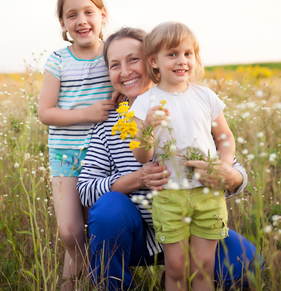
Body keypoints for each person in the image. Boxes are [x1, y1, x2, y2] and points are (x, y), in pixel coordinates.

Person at [77, 27, 257, 291]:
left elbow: (228, 158)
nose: (125, 71)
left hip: (195, 218)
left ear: (151, 61)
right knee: (109, 211)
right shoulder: (107, 125)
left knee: (248, 262)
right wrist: (137, 178)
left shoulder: (193, 99)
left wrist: (229, 174)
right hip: (140, 235)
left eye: (133, 59)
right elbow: (86, 190)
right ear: (157, 59)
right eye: (115, 65)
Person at [130, 22, 235, 291]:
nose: (182, 61)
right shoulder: (146, 101)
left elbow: (225, 137)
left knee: (203, 266)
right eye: (173, 54)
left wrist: (222, 168)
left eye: (188, 54)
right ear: (153, 60)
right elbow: (143, 155)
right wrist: (148, 127)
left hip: (208, 194)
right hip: (169, 196)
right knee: (176, 266)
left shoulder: (206, 96)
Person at [38, 0, 116, 289]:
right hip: (65, 155)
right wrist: (87, 113)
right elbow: (46, 113)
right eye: (72, 15)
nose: (81, 20)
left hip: (103, 155)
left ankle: (76, 284)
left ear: (102, 15)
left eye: (88, 12)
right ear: (63, 24)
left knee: (92, 230)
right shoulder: (58, 60)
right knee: (70, 232)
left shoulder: (113, 53)